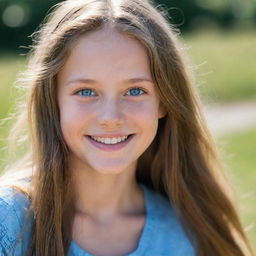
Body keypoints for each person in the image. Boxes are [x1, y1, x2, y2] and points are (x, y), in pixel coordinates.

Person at [0, 0, 254, 255]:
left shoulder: (188, 234)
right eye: (86, 91)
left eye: (135, 90)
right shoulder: (8, 223)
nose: (111, 117)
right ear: (53, 101)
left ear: (163, 101)